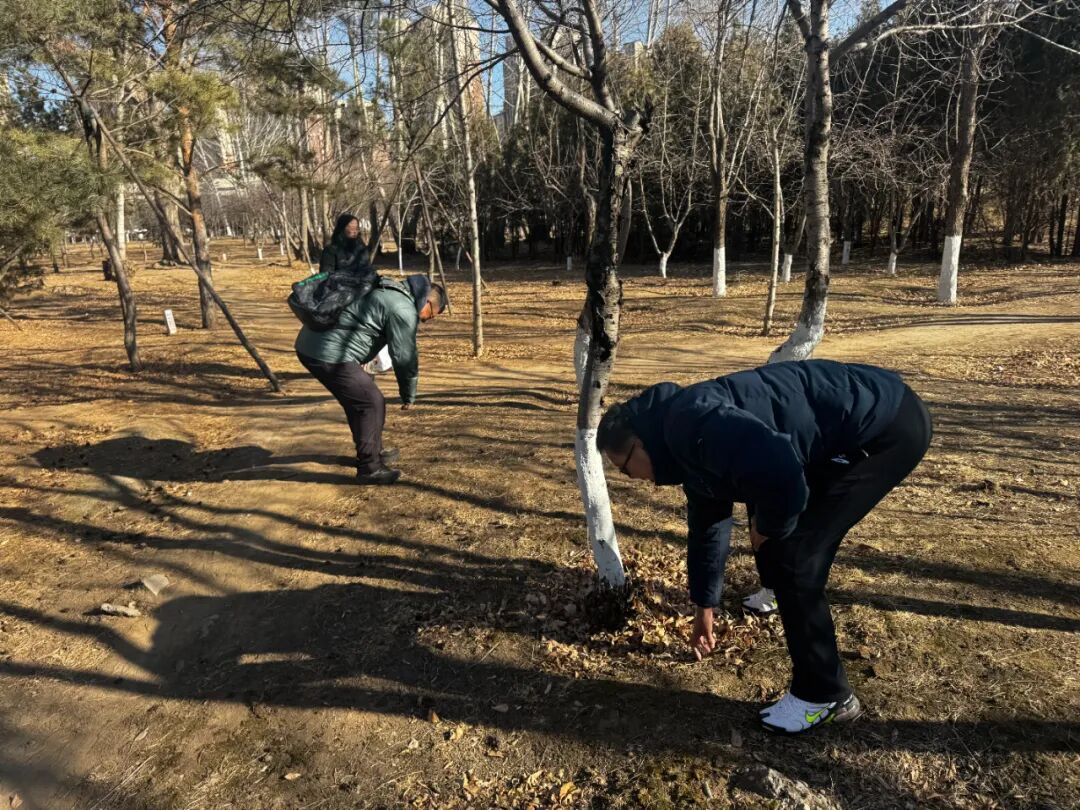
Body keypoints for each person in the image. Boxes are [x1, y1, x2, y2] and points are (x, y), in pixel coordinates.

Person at [596, 360, 932, 734]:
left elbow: (783, 474)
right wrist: (705, 607)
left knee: (795, 554)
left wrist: (769, 527)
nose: (632, 478)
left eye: (625, 468)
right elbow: (708, 527)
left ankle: (824, 695)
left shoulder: (693, 423)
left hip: (885, 427)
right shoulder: (681, 448)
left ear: (638, 444)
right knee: (771, 519)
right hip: (850, 422)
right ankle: (776, 592)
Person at [296, 273, 447, 485]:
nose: (427, 320)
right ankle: (370, 468)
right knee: (370, 402)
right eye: (430, 316)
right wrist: (408, 394)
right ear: (428, 302)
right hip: (328, 353)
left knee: (361, 400)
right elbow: (404, 357)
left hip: (314, 345)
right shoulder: (403, 308)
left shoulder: (390, 289)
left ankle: (373, 451)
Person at [321, 213, 375, 280]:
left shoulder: (362, 249)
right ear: (341, 229)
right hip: (338, 284)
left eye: (356, 228)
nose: (354, 231)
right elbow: (326, 275)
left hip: (363, 284)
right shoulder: (330, 251)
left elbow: (367, 269)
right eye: (351, 227)